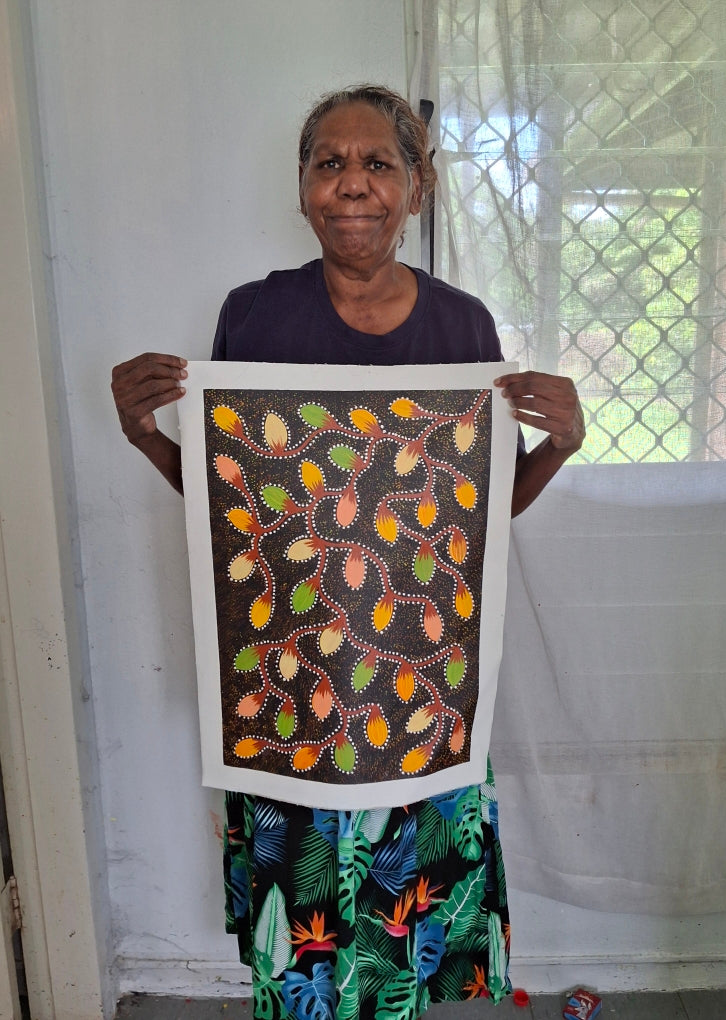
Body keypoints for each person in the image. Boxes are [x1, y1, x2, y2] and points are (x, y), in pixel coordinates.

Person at [112, 84, 584, 1020]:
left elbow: (476, 522)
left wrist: (559, 448)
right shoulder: (253, 320)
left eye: (378, 164)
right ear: (301, 188)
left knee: (400, 918)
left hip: (421, 682)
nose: (352, 184)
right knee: (311, 934)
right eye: (329, 163)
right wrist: (148, 439)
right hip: (297, 685)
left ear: (417, 188)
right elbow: (235, 506)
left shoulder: (462, 329)